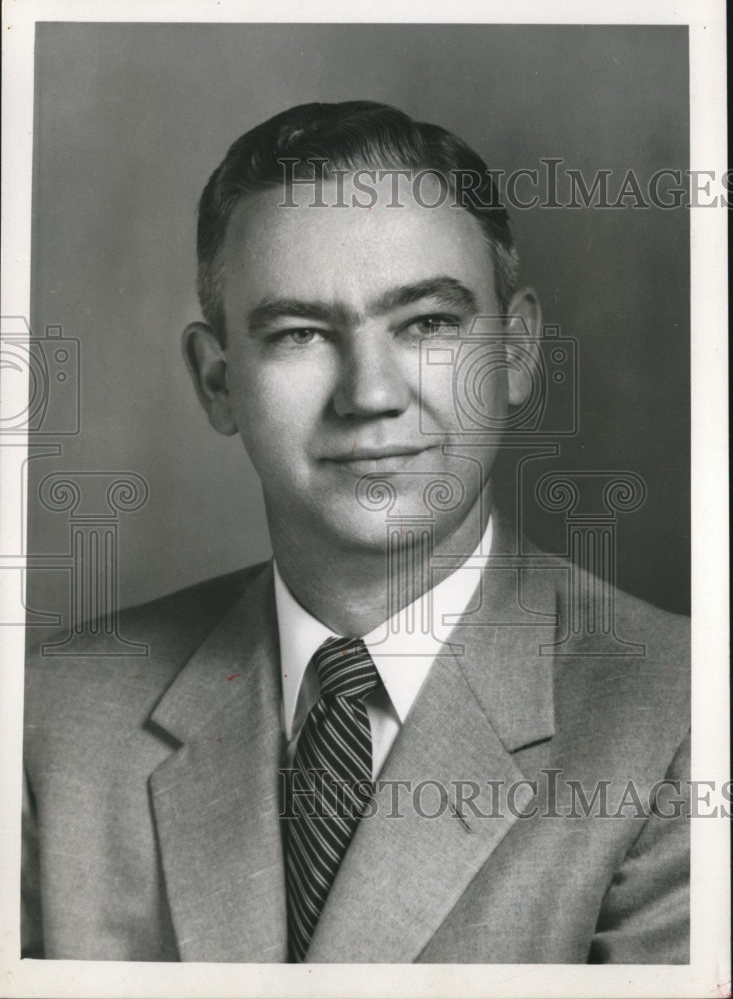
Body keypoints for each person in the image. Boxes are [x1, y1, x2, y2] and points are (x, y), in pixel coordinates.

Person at [22, 101, 690, 963]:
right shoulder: (50, 722)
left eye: (426, 325)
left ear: (518, 350)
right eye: (300, 334)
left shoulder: (680, 718)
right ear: (218, 382)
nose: (369, 394)